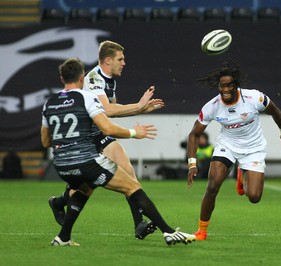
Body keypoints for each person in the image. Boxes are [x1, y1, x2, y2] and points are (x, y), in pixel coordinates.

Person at [42, 58, 195, 246]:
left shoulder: (50, 102)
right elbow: (108, 129)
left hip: (61, 166)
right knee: (132, 187)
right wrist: (134, 133)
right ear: (81, 77)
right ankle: (169, 232)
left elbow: (45, 141)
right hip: (86, 162)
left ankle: (63, 236)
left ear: (61, 78)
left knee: (85, 188)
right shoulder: (86, 97)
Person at [48, 40, 164, 240]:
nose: (124, 62)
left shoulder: (110, 80)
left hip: (100, 133)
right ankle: (59, 205)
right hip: (87, 136)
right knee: (86, 186)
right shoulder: (93, 79)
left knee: (126, 171)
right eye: (121, 59)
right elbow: (107, 109)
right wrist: (138, 106)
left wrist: (141, 109)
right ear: (108, 60)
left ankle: (138, 224)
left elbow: (112, 112)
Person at [186, 62, 281, 241]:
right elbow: (194, 134)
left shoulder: (254, 98)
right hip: (227, 145)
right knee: (212, 186)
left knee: (254, 197)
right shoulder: (212, 106)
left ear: (236, 85)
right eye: (223, 85)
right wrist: (192, 164)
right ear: (219, 86)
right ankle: (201, 231)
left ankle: (241, 172)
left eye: (230, 85)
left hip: (254, 149)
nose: (226, 89)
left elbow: (274, 111)